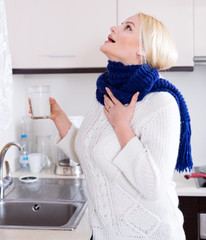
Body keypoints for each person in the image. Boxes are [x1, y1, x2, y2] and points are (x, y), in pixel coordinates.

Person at [30, 12, 192, 240]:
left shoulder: (160, 102)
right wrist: (59, 118)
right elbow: (87, 152)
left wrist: (122, 126)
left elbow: (153, 186)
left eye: (127, 27)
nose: (114, 28)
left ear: (143, 49)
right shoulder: (105, 95)